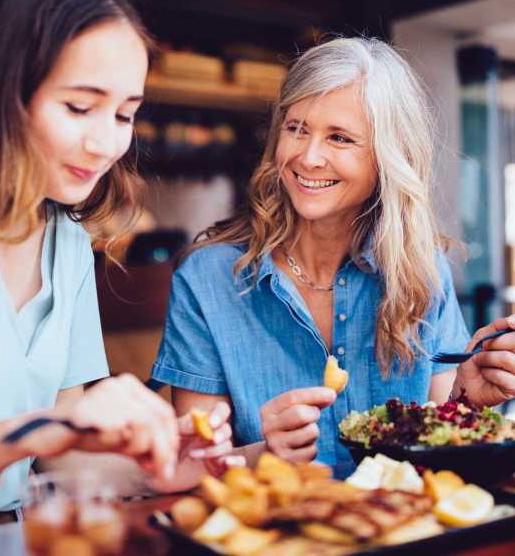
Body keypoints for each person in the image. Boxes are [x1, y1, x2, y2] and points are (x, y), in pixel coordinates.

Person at [0, 0, 240, 549]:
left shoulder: (65, 240)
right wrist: (30, 432)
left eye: (123, 115)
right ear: (1, 92)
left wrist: (161, 466)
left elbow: (58, 464)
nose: (107, 144)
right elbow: (41, 436)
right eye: (79, 107)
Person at [151, 37, 515, 473]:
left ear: (387, 157)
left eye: (339, 138)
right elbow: (189, 467)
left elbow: (438, 457)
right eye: (296, 128)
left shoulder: (422, 270)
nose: (308, 157)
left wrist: (466, 401)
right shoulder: (207, 279)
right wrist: (264, 454)